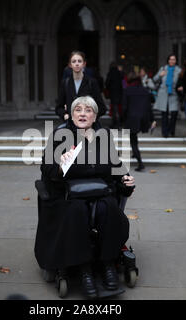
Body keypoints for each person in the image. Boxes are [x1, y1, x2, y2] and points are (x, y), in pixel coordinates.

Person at [35, 96, 135, 299]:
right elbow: (46, 170)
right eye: (78, 110)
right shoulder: (60, 136)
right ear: (71, 115)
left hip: (100, 193)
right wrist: (60, 165)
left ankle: (108, 265)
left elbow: (117, 169)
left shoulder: (104, 135)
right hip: (68, 196)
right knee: (78, 210)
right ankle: (85, 270)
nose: (82, 113)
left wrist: (126, 183)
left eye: (88, 110)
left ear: (95, 115)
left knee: (109, 208)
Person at [56, 51, 106, 122]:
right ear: (70, 65)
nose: (77, 64)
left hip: (88, 126)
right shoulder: (65, 83)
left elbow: (102, 107)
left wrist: (91, 117)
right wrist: (65, 115)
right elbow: (59, 107)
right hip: (71, 124)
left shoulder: (92, 82)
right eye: (74, 61)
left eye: (79, 61)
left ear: (84, 64)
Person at [122, 72, 155, 172]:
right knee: (134, 138)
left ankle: (140, 163)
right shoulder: (145, 91)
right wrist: (152, 119)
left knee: (133, 140)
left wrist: (122, 119)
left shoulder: (127, 90)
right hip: (142, 118)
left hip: (131, 118)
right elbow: (149, 107)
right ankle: (135, 154)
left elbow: (124, 107)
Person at [153, 54, 182, 138]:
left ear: (176, 61)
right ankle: (165, 132)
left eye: (174, 59)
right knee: (164, 114)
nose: (172, 61)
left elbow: (182, 81)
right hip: (164, 94)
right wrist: (160, 75)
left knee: (174, 114)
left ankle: (171, 130)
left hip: (174, 94)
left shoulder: (179, 70)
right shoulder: (163, 69)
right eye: (170, 59)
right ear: (168, 60)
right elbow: (154, 79)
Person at [105, 62, 123, 128]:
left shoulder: (110, 73)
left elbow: (107, 83)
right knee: (118, 108)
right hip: (120, 93)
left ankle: (116, 123)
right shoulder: (119, 73)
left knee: (114, 108)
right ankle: (118, 123)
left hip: (113, 93)